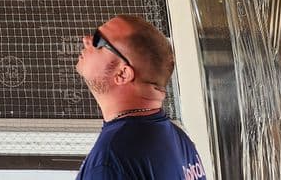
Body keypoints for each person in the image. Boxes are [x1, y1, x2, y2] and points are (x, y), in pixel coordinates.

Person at [74, 15, 206, 179]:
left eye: (99, 41)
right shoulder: (179, 139)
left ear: (122, 74)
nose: (86, 40)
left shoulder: (111, 160)